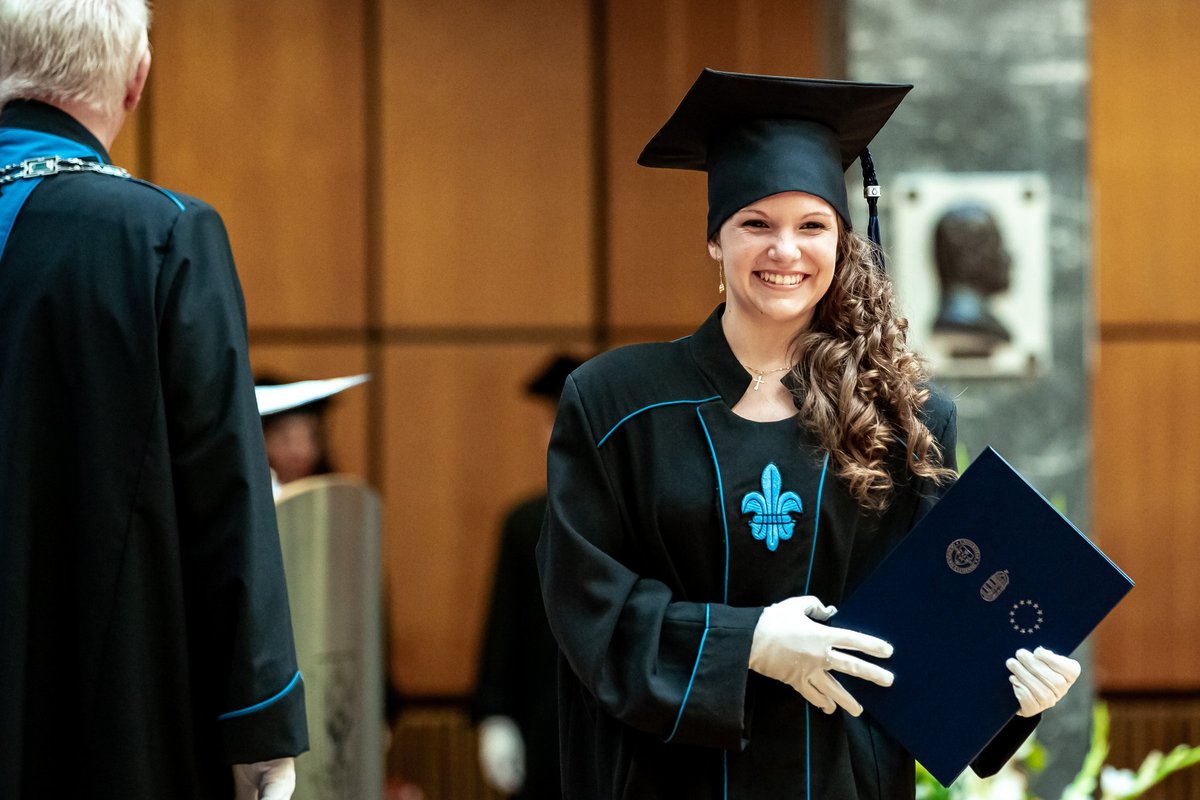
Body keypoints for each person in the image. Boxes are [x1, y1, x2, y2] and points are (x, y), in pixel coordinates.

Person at [535, 69, 1081, 799]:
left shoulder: (905, 416)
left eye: (812, 226)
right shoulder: (616, 404)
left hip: (843, 776)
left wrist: (1018, 689)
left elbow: (939, 619)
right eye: (756, 224)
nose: (785, 251)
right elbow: (584, 602)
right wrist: (749, 644)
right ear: (715, 240)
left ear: (842, 241)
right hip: (667, 776)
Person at [0, 2, 306, 798]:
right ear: (136, 81)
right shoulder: (162, 234)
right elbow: (226, 494)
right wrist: (262, 728)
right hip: (109, 715)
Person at [473, 355, 583, 800]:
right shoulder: (525, 523)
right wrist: (494, 715)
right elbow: (504, 626)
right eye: (551, 421)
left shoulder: (636, 518)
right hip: (541, 718)